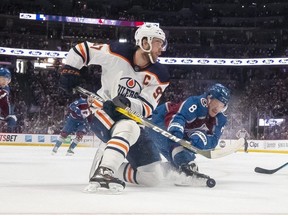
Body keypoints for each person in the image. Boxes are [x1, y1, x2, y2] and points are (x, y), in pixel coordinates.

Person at [58, 24, 169, 192]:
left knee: (152, 176)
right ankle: (105, 170)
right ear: (144, 41)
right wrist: (70, 69)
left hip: (129, 117)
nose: (162, 48)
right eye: (158, 43)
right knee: (128, 127)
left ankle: (112, 164)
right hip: (101, 109)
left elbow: (146, 107)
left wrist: (127, 103)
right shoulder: (116, 51)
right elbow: (81, 49)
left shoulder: (160, 74)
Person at [151, 83, 231, 184]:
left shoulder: (220, 119)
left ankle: (152, 170)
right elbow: (179, 116)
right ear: (209, 98)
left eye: (221, 106)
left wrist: (202, 140)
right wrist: (176, 131)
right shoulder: (196, 103)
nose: (217, 108)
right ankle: (184, 166)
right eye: (216, 103)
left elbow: (214, 140)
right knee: (180, 154)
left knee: (181, 163)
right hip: (159, 120)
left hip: (177, 134)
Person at [0, 67, 17, 133]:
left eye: (6, 79)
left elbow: (2, 94)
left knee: (12, 118)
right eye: (3, 79)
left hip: (4, 109)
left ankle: (9, 134)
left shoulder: (6, 88)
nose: (5, 81)